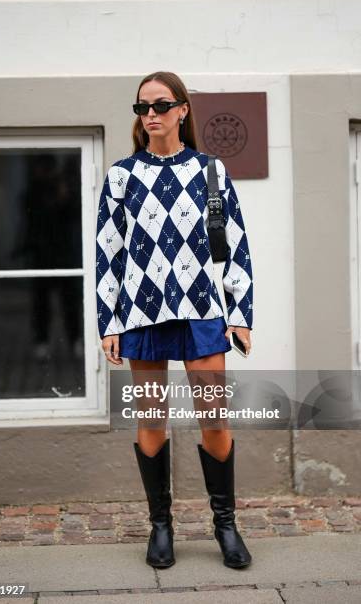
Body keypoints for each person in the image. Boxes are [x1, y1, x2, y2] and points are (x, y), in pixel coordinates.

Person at [95, 71, 253, 570]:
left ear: (183, 109)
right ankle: (160, 527)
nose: (152, 114)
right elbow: (108, 253)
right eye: (142, 106)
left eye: (162, 104)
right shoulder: (121, 176)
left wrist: (241, 312)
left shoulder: (211, 171)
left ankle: (225, 524)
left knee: (214, 420)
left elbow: (235, 245)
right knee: (151, 422)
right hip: (142, 315)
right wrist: (109, 322)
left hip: (204, 312)